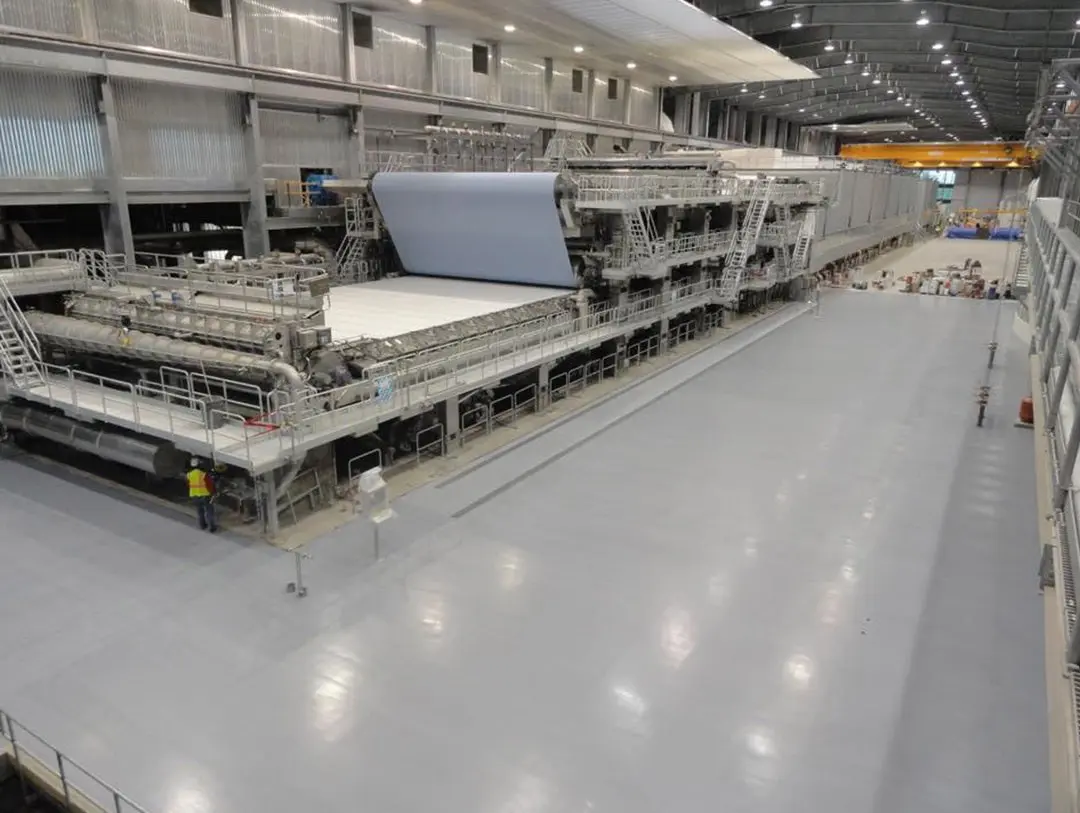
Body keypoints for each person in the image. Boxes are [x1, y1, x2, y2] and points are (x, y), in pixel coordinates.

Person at [186, 458, 218, 533]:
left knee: (200, 511)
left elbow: (188, 484)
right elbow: (210, 485)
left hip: (194, 496)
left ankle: (202, 525)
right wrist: (214, 492)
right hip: (205, 495)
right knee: (209, 511)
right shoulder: (203, 475)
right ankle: (212, 527)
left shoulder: (189, 475)